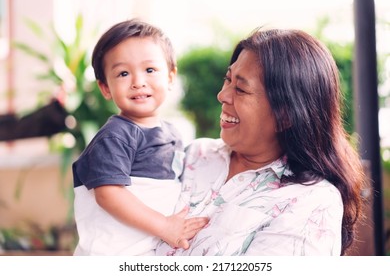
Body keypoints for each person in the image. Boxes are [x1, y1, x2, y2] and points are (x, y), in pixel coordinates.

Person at [155, 27, 366, 256]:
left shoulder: (311, 202)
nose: (222, 95)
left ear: (285, 115)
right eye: (228, 79)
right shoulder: (195, 153)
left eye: (241, 89)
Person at [72, 19, 208, 256]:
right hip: (112, 254)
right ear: (105, 88)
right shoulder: (115, 136)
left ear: (170, 76)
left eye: (150, 70)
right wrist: (165, 226)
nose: (138, 82)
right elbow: (109, 194)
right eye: (123, 73)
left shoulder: (173, 133)